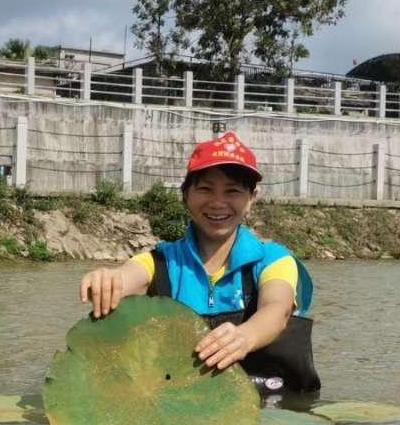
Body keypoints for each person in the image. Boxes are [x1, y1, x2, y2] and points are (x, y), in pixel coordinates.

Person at [78, 132, 320, 394]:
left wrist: (245, 336)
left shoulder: (273, 259)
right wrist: (107, 280)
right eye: (205, 189)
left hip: (272, 403)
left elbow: (277, 309)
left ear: (252, 198)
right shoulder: (160, 262)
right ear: (186, 195)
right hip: (187, 403)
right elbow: (127, 276)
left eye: (232, 191)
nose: (218, 203)